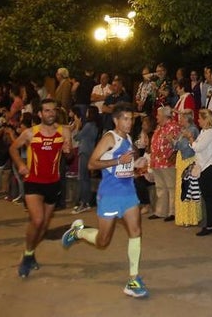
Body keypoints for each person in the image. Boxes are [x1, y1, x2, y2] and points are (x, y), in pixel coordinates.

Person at [61, 102, 150, 298]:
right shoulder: (109, 137)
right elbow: (92, 163)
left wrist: (137, 165)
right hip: (109, 194)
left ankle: (133, 279)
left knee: (136, 232)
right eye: (125, 119)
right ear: (116, 120)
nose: (129, 122)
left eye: (131, 119)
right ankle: (79, 232)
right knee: (103, 241)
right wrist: (119, 161)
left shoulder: (128, 139)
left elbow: (127, 167)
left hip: (128, 192)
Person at [9, 98, 73, 277]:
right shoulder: (30, 133)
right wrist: (21, 165)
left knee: (43, 225)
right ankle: (27, 255)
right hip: (34, 182)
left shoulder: (64, 131)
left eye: (53, 110)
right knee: (37, 220)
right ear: (40, 114)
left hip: (53, 183)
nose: (50, 114)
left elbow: (69, 157)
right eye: (46, 111)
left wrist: (69, 151)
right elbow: (13, 149)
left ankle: (30, 253)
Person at [190, 108, 212, 236]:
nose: (198, 121)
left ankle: (210, 225)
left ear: (206, 120)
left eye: (200, 118)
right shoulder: (205, 131)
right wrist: (193, 143)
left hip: (209, 167)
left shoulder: (211, 132)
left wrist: (191, 140)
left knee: (208, 197)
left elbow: (197, 147)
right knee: (209, 196)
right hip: (205, 166)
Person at [147, 103, 179, 221]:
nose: (156, 117)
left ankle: (172, 212)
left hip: (167, 162)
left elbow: (176, 144)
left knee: (171, 187)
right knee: (160, 187)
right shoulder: (159, 127)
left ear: (165, 116)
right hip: (157, 161)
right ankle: (161, 211)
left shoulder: (173, 127)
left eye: (158, 115)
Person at [72, 106, 100, 212]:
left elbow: (77, 137)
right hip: (90, 151)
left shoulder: (88, 125)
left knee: (83, 178)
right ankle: (85, 201)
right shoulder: (96, 125)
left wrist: (78, 125)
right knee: (86, 178)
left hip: (84, 151)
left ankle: (84, 201)